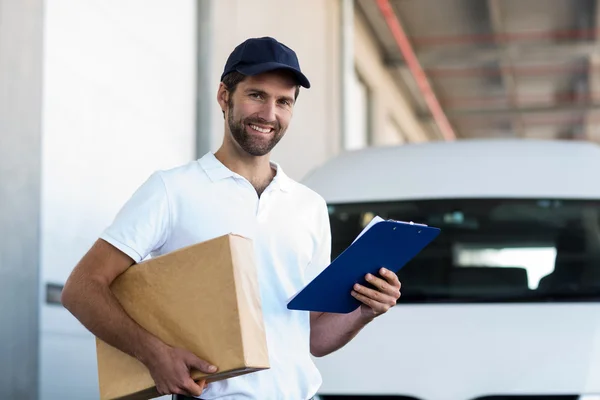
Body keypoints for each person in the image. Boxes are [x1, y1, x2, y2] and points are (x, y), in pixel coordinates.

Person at [61, 36, 401, 400]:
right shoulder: (172, 190)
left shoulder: (309, 206)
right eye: (256, 95)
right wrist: (154, 354)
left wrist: (363, 313)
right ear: (225, 96)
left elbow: (312, 337)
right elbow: (81, 289)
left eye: (283, 102)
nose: (269, 115)